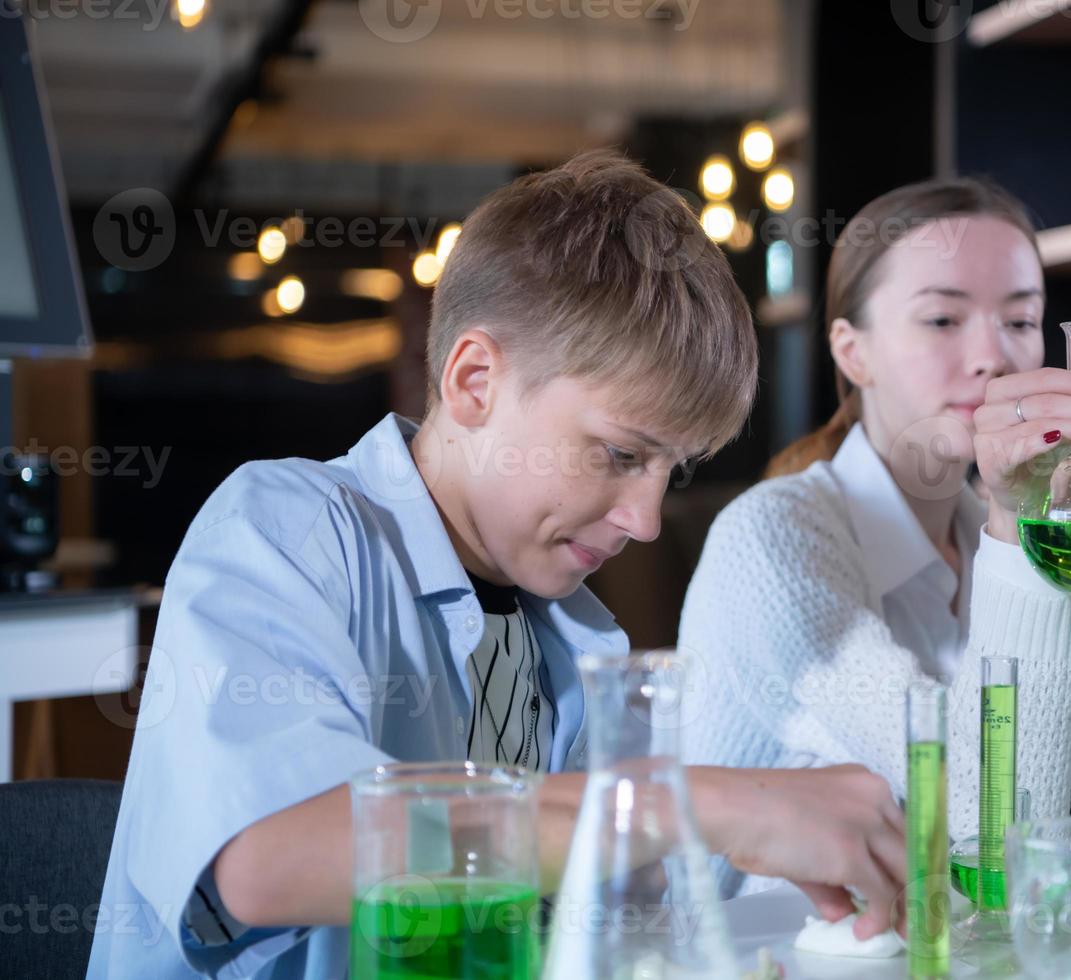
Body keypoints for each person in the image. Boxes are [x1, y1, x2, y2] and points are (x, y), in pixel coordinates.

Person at [87, 151, 907, 980]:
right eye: (621, 452)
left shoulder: (576, 635)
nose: (647, 520)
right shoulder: (287, 528)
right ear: (475, 380)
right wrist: (694, 805)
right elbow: (267, 859)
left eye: (673, 469)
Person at [678, 175, 1071, 898]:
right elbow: (984, 823)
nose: (993, 358)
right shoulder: (770, 541)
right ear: (853, 354)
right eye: (943, 321)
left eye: (1019, 321)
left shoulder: (995, 537)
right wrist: (1015, 525)